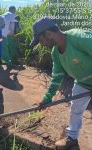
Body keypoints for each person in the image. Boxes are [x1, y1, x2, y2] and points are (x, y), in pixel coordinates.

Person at [30, 17, 92, 150]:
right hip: (83, 83)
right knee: (75, 110)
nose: (42, 44)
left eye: (41, 41)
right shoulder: (55, 52)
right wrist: (47, 98)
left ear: (48, 34)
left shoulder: (79, 38)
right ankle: (72, 139)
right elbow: (56, 78)